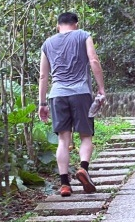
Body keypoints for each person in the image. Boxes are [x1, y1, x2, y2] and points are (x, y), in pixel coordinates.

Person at [37, 11, 108, 196]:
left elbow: (43, 75)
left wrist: (42, 103)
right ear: (76, 24)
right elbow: (93, 60)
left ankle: (64, 184)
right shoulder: (83, 35)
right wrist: (101, 89)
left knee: (63, 139)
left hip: (57, 94)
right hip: (81, 93)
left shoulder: (47, 43)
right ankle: (83, 168)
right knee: (86, 135)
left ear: (57, 25)